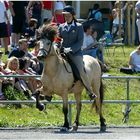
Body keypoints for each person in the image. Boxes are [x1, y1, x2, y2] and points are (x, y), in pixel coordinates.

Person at [58, 5, 97, 100]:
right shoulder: (61, 26)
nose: (66, 17)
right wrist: (58, 44)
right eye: (65, 15)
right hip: (63, 52)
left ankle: (89, 91)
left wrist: (70, 49)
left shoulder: (79, 26)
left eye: (68, 15)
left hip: (75, 53)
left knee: (81, 70)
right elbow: (59, 38)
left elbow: (80, 42)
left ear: (72, 15)